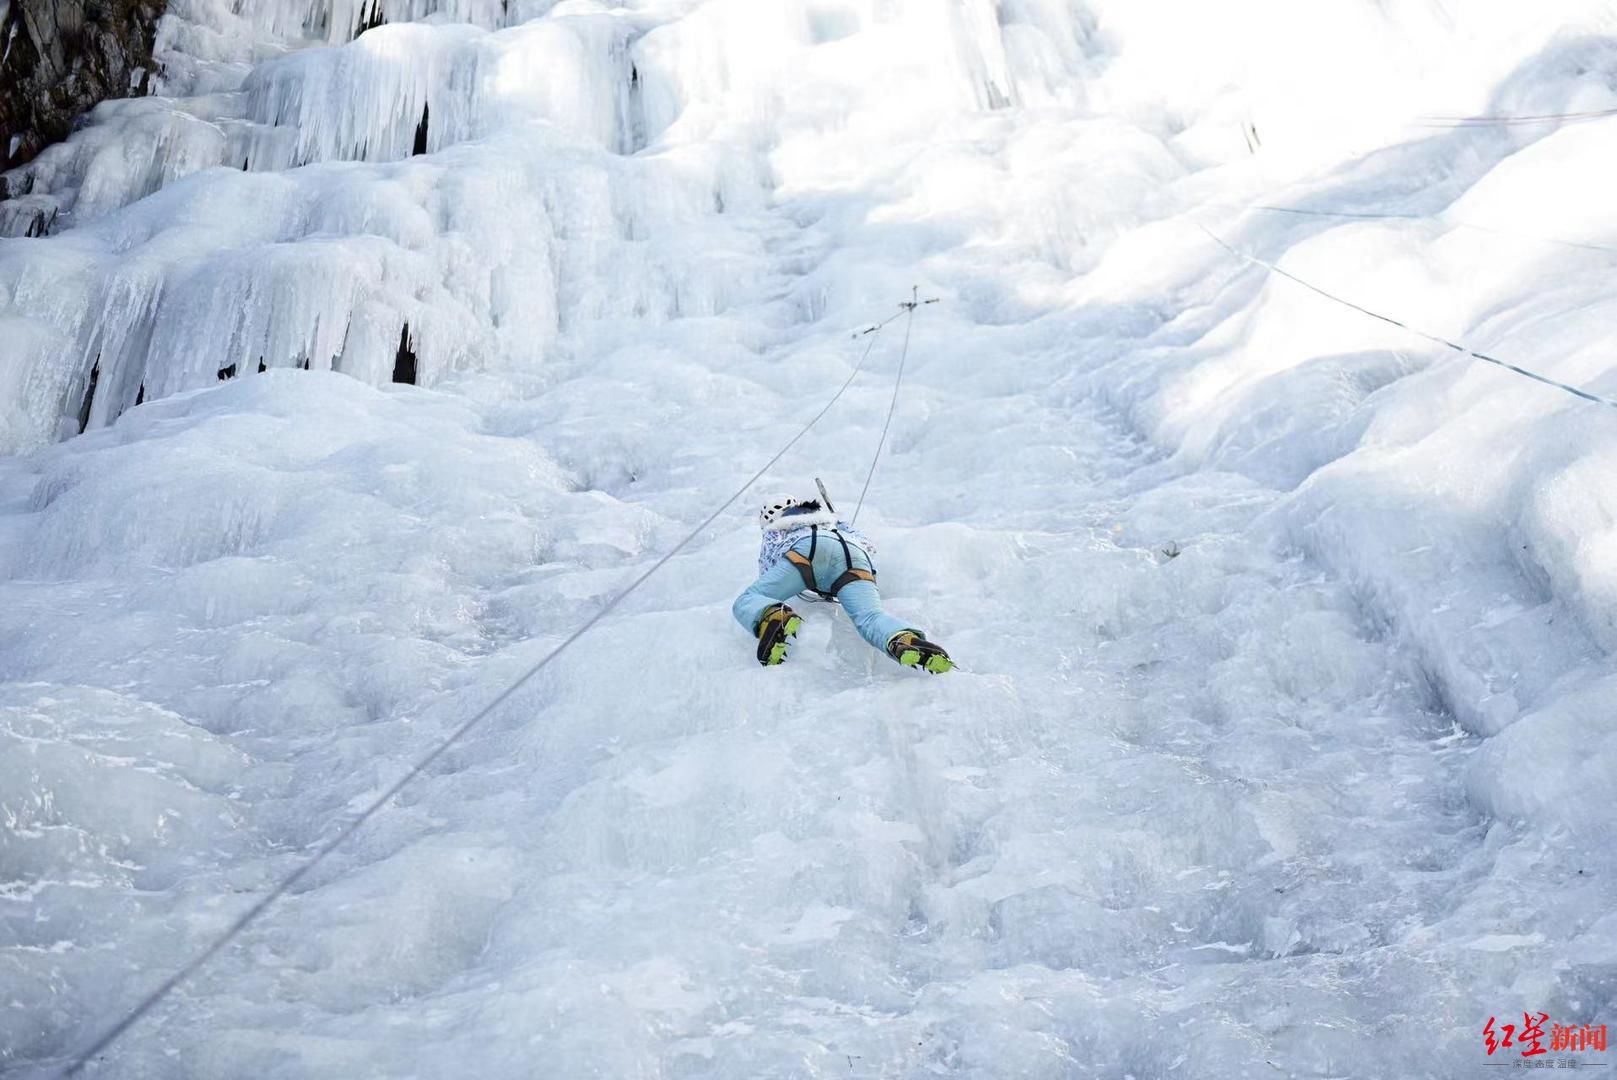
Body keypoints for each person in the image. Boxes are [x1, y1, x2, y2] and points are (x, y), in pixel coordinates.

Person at [732, 494, 952, 672]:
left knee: (750, 599)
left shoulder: (775, 528)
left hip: (808, 551)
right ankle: (903, 639)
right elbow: (869, 545)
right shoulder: (831, 520)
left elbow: (768, 567)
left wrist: (787, 589)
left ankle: (773, 615)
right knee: (871, 617)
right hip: (855, 556)